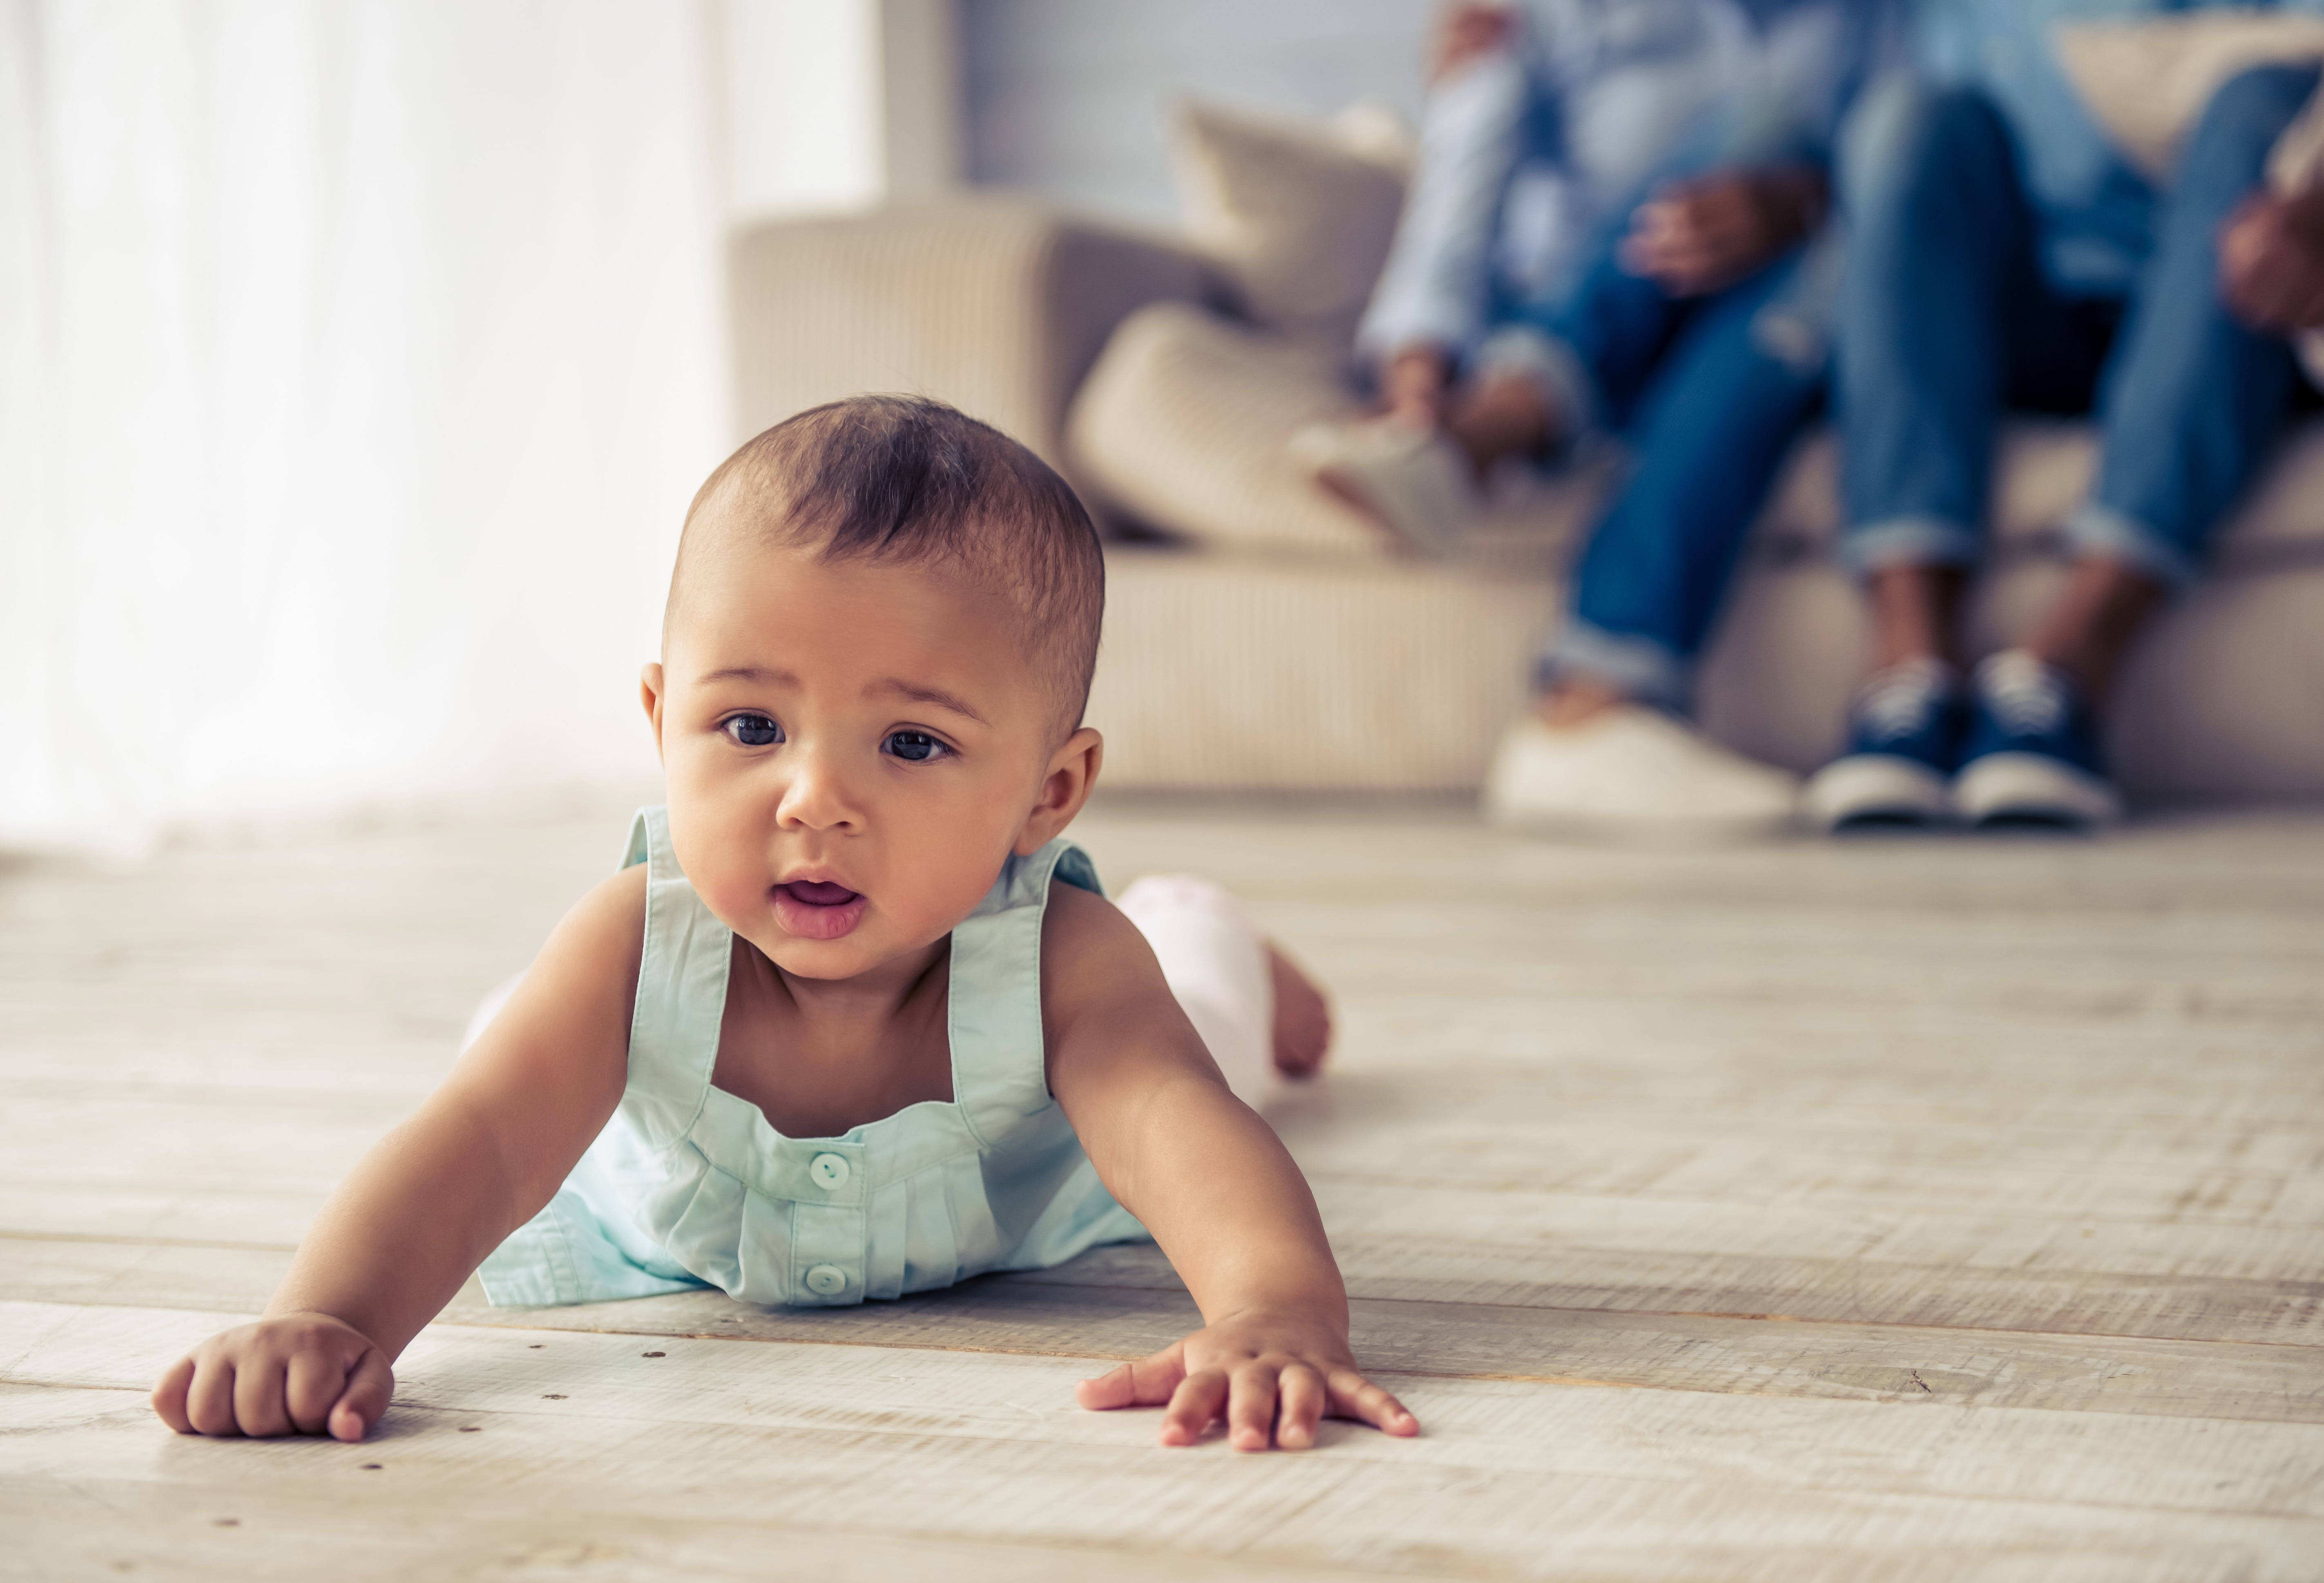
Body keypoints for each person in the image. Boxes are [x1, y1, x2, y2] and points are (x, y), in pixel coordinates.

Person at [148, 396, 1419, 1455]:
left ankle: (1209, 924)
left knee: (1198, 1024)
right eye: (749, 727)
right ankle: (531, 1022)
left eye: (911, 741)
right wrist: (326, 1314)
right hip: (647, 1154)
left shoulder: (1064, 957)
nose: (812, 798)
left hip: (1044, 1185)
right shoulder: (639, 944)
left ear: (1047, 791)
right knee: (519, 1057)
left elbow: (1169, 1127)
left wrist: (1272, 1308)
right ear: (661, 722)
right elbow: (479, 1143)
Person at [1292, 0, 1890, 833]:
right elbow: (1472, 154)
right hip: (1586, 309)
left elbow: (1910, 189)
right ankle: (1589, 682)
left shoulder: (1885, 21)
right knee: (1756, 133)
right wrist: (1417, 370)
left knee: (1803, 210)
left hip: (1774, 330)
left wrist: (1800, 201)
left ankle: (1487, 441)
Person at [1805, 0, 2324, 831]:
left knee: (2265, 93)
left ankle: (2068, 663)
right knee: (1909, 117)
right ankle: (1907, 669)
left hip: (2236, 291)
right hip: (2037, 302)